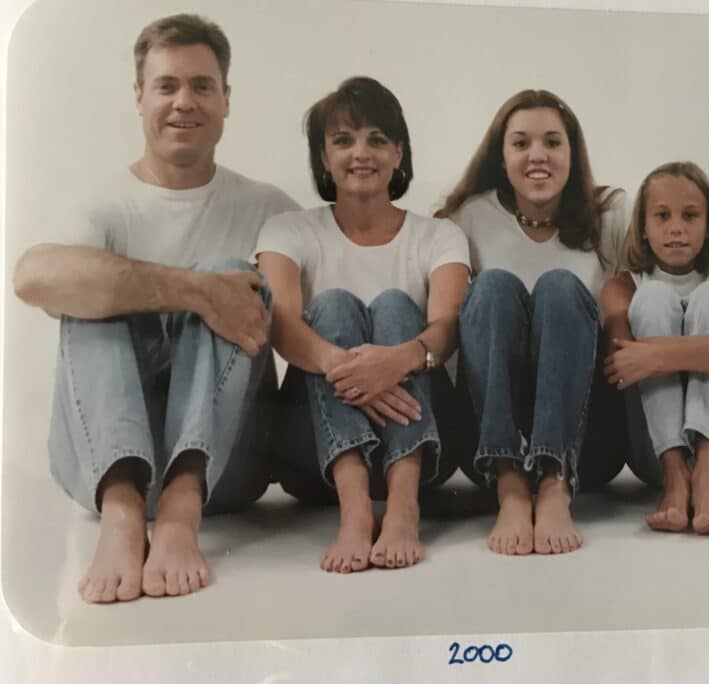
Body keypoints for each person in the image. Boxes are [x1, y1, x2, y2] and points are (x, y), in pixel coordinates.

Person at [12, 14, 298, 603]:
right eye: (166, 85)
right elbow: (32, 278)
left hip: (227, 473)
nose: (183, 102)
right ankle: (123, 514)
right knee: (91, 286)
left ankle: (178, 511)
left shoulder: (269, 207)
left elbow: (331, 304)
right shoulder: (105, 204)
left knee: (231, 270)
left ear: (225, 100)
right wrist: (195, 292)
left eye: (201, 86)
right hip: (98, 466)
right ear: (140, 96)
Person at [256, 77, 469, 573]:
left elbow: (450, 325)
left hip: (426, 447)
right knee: (330, 305)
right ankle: (354, 513)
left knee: (396, 304)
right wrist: (351, 370)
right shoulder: (288, 230)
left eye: (377, 139)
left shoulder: (438, 235)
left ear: (399, 153)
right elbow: (281, 325)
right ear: (323, 158)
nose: (361, 153)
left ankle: (402, 506)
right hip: (313, 457)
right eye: (343, 140)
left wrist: (396, 360)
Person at [436, 89, 629, 555]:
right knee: (495, 287)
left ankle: (554, 485)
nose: (537, 155)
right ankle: (510, 488)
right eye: (521, 143)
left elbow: (636, 308)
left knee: (561, 287)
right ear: (501, 158)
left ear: (573, 153)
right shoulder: (467, 217)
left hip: (585, 435)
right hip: (489, 432)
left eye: (552, 142)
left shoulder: (612, 213)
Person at [600, 161, 709, 534]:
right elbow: (622, 363)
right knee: (651, 298)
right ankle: (676, 475)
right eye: (662, 216)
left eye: (690, 215)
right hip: (652, 450)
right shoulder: (622, 287)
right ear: (643, 228)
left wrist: (657, 355)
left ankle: (706, 475)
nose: (676, 227)